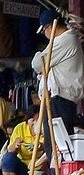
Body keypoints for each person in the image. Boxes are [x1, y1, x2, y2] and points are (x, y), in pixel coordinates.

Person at [32, 10, 84, 160]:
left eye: (44, 31)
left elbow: (37, 63)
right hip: (61, 98)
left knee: (58, 146)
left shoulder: (64, 40)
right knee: (56, 145)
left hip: (60, 98)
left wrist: (39, 54)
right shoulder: (65, 40)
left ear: (49, 28)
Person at [0, 104, 46, 175]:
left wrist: (40, 146)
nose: (35, 123)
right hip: (23, 166)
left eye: (38, 120)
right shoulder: (20, 128)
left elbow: (49, 148)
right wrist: (15, 145)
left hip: (40, 166)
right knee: (8, 158)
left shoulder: (45, 128)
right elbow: (10, 150)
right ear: (27, 121)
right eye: (32, 120)